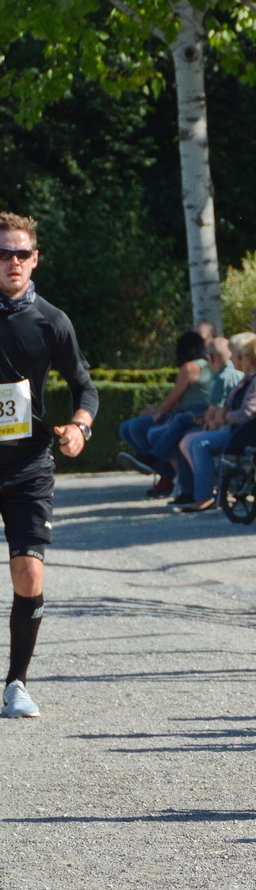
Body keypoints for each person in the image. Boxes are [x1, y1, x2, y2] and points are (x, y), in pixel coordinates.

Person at [0, 212, 97, 720]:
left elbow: (85, 386)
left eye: (21, 254)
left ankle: (16, 682)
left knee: (28, 572)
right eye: (3, 253)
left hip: (28, 463)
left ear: (35, 259)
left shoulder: (51, 321)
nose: (13, 262)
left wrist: (80, 425)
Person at [177, 334, 256, 511]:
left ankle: (205, 496)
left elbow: (249, 413)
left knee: (199, 444)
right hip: (237, 430)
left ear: (247, 359)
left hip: (244, 434)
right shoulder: (249, 378)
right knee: (192, 440)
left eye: (237, 356)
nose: (233, 359)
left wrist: (224, 417)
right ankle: (206, 492)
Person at [117, 331, 212, 498]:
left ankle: (161, 469)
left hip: (191, 413)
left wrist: (158, 413)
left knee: (137, 427)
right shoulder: (207, 365)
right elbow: (181, 398)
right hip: (189, 411)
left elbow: (173, 398)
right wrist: (157, 408)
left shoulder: (189, 367)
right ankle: (156, 466)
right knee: (128, 427)